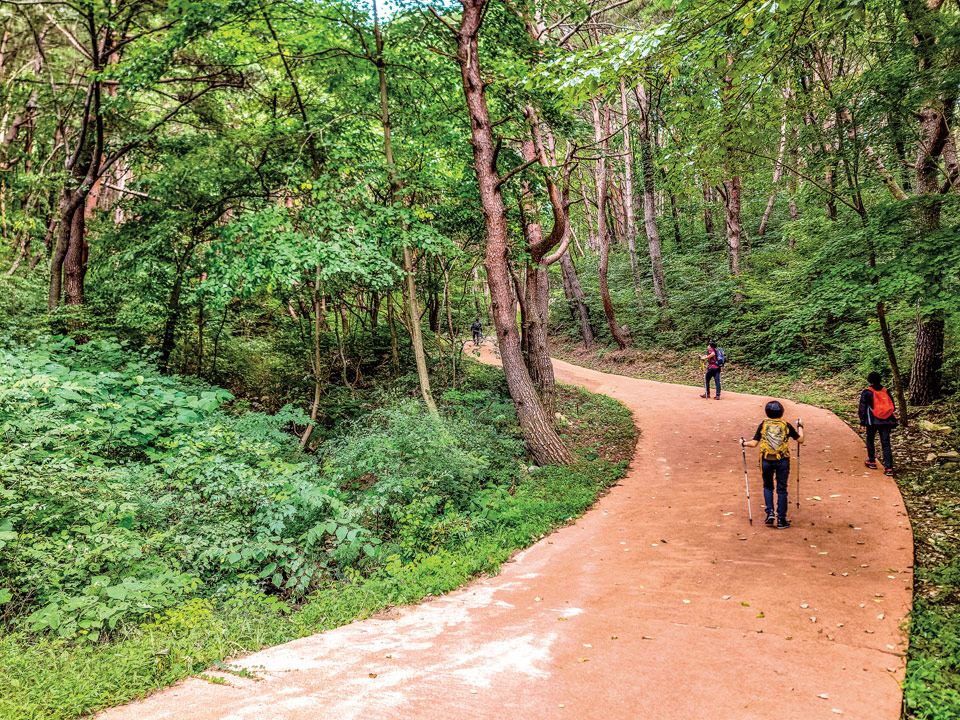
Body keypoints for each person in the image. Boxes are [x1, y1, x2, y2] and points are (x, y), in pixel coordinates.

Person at [741, 400, 804, 529]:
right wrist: (800, 427)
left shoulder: (763, 425)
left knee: (768, 486)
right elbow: (800, 440)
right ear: (782, 412)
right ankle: (781, 519)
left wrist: (743, 443)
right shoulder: (786, 425)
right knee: (782, 489)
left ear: (767, 412)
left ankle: (770, 512)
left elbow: (753, 443)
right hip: (782, 460)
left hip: (766, 460)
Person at [859, 371, 897, 476]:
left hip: (872, 421)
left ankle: (871, 461)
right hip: (886, 421)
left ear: (869, 381)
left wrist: (862, 422)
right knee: (886, 443)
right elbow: (892, 405)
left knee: (870, 439)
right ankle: (889, 468)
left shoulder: (867, 392)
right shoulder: (886, 391)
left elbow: (862, 408)